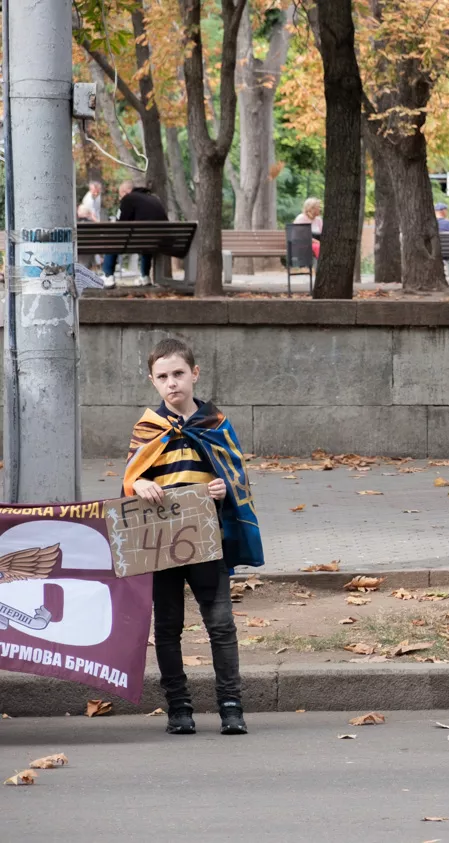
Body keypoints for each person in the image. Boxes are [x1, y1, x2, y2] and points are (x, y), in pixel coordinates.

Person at [123, 337, 261, 737]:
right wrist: (141, 485)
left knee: (220, 624)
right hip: (161, 544)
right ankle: (178, 709)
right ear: (153, 381)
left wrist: (222, 488)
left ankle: (231, 706)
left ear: (194, 374)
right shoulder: (146, 427)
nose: (172, 383)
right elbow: (131, 478)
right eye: (162, 376)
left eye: (178, 374)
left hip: (205, 540)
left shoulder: (215, 423)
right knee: (167, 627)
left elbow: (233, 475)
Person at [102, 181, 169, 285]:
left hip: (142, 237)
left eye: (120, 195)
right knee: (147, 242)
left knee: (113, 240)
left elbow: (120, 223)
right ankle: (145, 276)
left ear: (125, 192)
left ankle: (108, 276)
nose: (121, 199)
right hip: (161, 238)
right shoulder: (153, 198)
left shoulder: (129, 198)